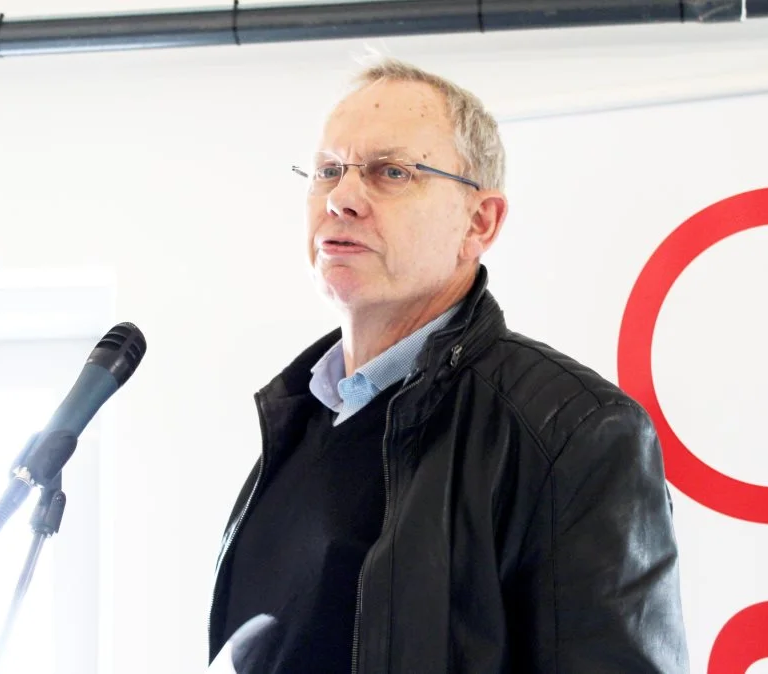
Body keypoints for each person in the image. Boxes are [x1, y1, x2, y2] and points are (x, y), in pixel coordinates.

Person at [207, 57, 690, 673]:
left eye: (391, 172)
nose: (342, 198)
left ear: (478, 222)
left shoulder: (573, 432)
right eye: (328, 170)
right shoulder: (296, 419)